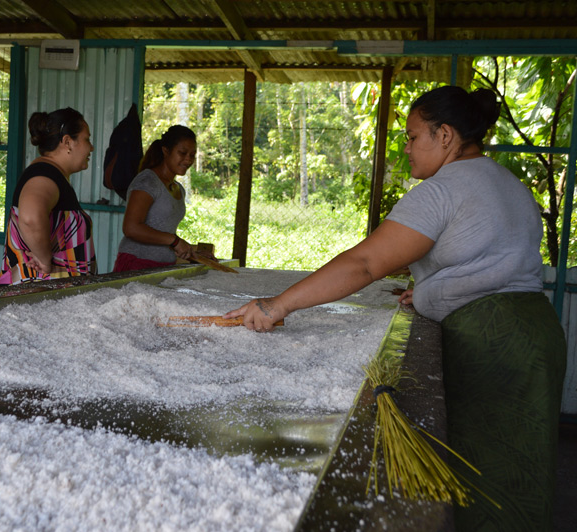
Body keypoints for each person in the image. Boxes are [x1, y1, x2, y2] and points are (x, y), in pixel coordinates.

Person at [224, 86, 566, 530]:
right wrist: (427, 291)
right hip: (537, 335)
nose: (405, 148)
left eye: (412, 136)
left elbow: (366, 264)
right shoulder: (507, 183)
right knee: (522, 471)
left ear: (445, 136)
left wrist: (276, 305)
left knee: (479, 476)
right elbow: (484, 262)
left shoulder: (442, 190)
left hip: (491, 345)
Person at [0, 108, 97, 285]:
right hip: (40, 296)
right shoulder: (44, 174)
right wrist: (44, 261)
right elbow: (30, 217)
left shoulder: (50, 174)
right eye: (86, 139)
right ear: (67, 142)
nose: (91, 147)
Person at [112, 125, 202, 272]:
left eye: (192, 155)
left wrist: (191, 252)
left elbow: (162, 231)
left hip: (163, 267)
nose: (188, 160)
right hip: (136, 265)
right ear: (166, 151)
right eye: (182, 153)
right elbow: (131, 228)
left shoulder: (178, 189)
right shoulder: (148, 181)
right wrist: (175, 241)